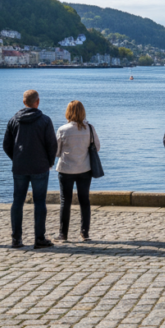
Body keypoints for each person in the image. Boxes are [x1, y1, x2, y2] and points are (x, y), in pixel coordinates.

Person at [4, 89, 57, 249]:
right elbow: (52, 144)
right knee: (39, 201)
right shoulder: (45, 120)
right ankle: (39, 239)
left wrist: (16, 158)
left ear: (24, 102)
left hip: (20, 166)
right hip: (40, 166)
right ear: (37, 102)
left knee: (17, 201)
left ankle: (16, 239)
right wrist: (49, 161)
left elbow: (6, 145)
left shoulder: (14, 120)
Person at [54, 100, 101, 242]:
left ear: (68, 112)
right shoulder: (90, 129)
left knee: (65, 201)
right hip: (84, 169)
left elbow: (56, 152)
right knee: (84, 200)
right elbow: (97, 147)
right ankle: (85, 233)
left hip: (66, 169)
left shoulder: (63, 129)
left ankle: (63, 234)